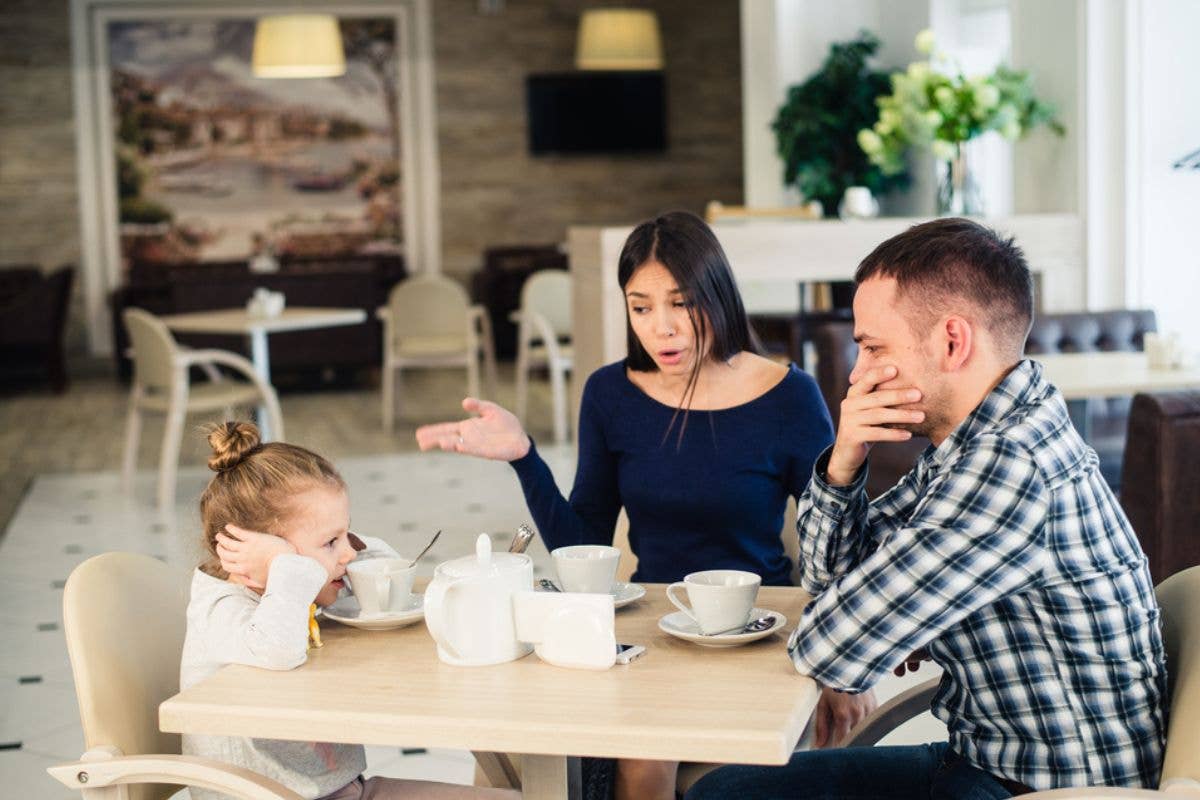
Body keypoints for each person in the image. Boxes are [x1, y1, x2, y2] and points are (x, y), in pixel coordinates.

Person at [686, 218, 1167, 799]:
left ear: (951, 341)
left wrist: (887, 617)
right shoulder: (975, 441)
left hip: (1045, 789)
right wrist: (844, 460)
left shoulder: (1010, 465)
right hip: (985, 758)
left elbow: (831, 646)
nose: (859, 374)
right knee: (727, 791)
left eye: (872, 347)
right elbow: (832, 578)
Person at [416, 211, 862, 799]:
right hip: (650, 632)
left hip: (754, 634)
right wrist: (525, 457)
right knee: (511, 744)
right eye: (641, 306)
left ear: (719, 297)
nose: (663, 329)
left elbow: (839, 541)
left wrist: (847, 661)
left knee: (644, 758)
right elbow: (586, 545)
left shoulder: (789, 395)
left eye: (681, 303)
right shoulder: (610, 393)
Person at [182, 420, 517, 800]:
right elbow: (277, 648)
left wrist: (333, 552)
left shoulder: (298, 592)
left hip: (339, 791)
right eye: (330, 541)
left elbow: (386, 568)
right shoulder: (223, 610)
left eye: (346, 533)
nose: (349, 554)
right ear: (254, 554)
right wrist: (288, 565)